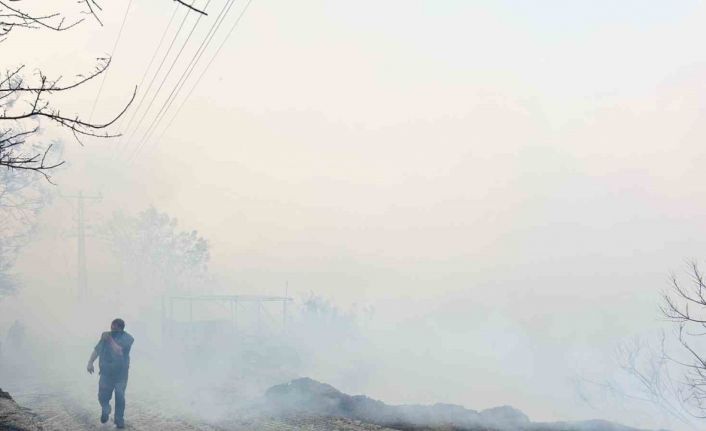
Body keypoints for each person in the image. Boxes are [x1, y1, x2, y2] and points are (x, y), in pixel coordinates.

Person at [87, 318, 134, 429]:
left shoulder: (127, 338)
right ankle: (105, 409)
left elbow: (119, 351)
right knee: (102, 396)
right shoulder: (106, 336)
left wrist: (110, 340)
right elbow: (97, 350)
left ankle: (119, 419)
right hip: (106, 373)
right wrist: (90, 362)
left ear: (121, 328)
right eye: (111, 327)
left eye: (115, 328)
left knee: (120, 395)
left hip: (120, 375)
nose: (112, 329)